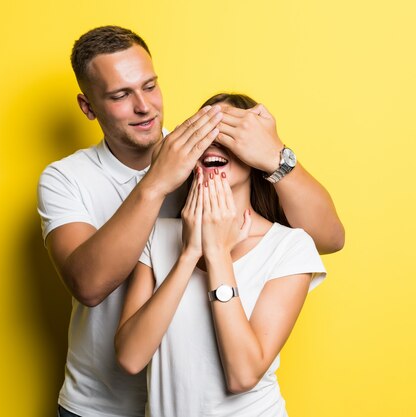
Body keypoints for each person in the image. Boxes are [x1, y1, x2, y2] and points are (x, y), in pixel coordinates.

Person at [38, 26, 343, 417]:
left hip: (190, 401)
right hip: (101, 403)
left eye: (150, 86)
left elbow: (326, 238)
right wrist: (157, 184)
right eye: (120, 95)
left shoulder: (205, 159)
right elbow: (89, 285)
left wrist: (275, 155)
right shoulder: (66, 178)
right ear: (88, 107)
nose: (144, 106)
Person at [115, 93, 326, 417]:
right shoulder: (157, 234)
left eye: (228, 135)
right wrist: (190, 254)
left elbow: (243, 375)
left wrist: (217, 255)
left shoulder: (290, 247)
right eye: (204, 134)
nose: (213, 144)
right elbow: (130, 357)